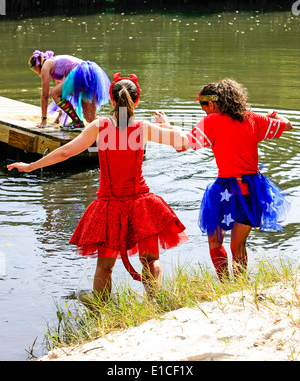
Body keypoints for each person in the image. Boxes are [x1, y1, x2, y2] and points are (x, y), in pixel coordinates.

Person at [7, 73, 188, 300]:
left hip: (109, 205)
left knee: (105, 266)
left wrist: (32, 165)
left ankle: (101, 310)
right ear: (137, 101)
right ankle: (156, 302)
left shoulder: (99, 126)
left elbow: (66, 152)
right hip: (140, 203)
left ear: (111, 101)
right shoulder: (144, 128)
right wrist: (168, 126)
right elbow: (184, 141)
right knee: (151, 260)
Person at [155, 78, 292, 281]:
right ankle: (239, 285)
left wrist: (165, 125)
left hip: (226, 190)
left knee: (215, 243)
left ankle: (225, 284)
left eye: (205, 109)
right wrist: (272, 115)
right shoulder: (253, 119)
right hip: (252, 191)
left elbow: (180, 145)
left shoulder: (213, 121)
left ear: (212, 104)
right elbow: (287, 125)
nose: (205, 114)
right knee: (238, 245)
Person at [28, 50, 111, 131]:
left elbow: (45, 95)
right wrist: (59, 116)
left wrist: (44, 119)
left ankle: (77, 121)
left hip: (81, 72)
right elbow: (62, 97)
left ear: (36, 65)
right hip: (90, 73)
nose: (34, 71)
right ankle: (113, 126)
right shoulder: (55, 65)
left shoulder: (46, 66)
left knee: (53, 93)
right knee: (90, 118)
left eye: (32, 69)